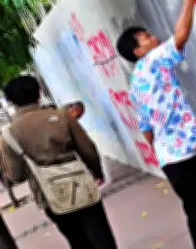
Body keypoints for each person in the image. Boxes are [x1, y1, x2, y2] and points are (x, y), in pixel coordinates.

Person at [115, 0, 196, 249]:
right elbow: (181, 36)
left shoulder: (136, 80)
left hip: (170, 156)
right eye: (146, 37)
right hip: (178, 155)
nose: (153, 37)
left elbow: (146, 129)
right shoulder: (153, 61)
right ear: (138, 51)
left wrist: (165, 144)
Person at [0, 76, 116, 248]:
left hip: (49, 194)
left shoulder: (9, 134)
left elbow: (16, 176)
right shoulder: (61, 117)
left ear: (11, 102)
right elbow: (88, 150)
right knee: (101, 236)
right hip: (80, 184)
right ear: (39, 93)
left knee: (77, 240)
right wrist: (97, 172)